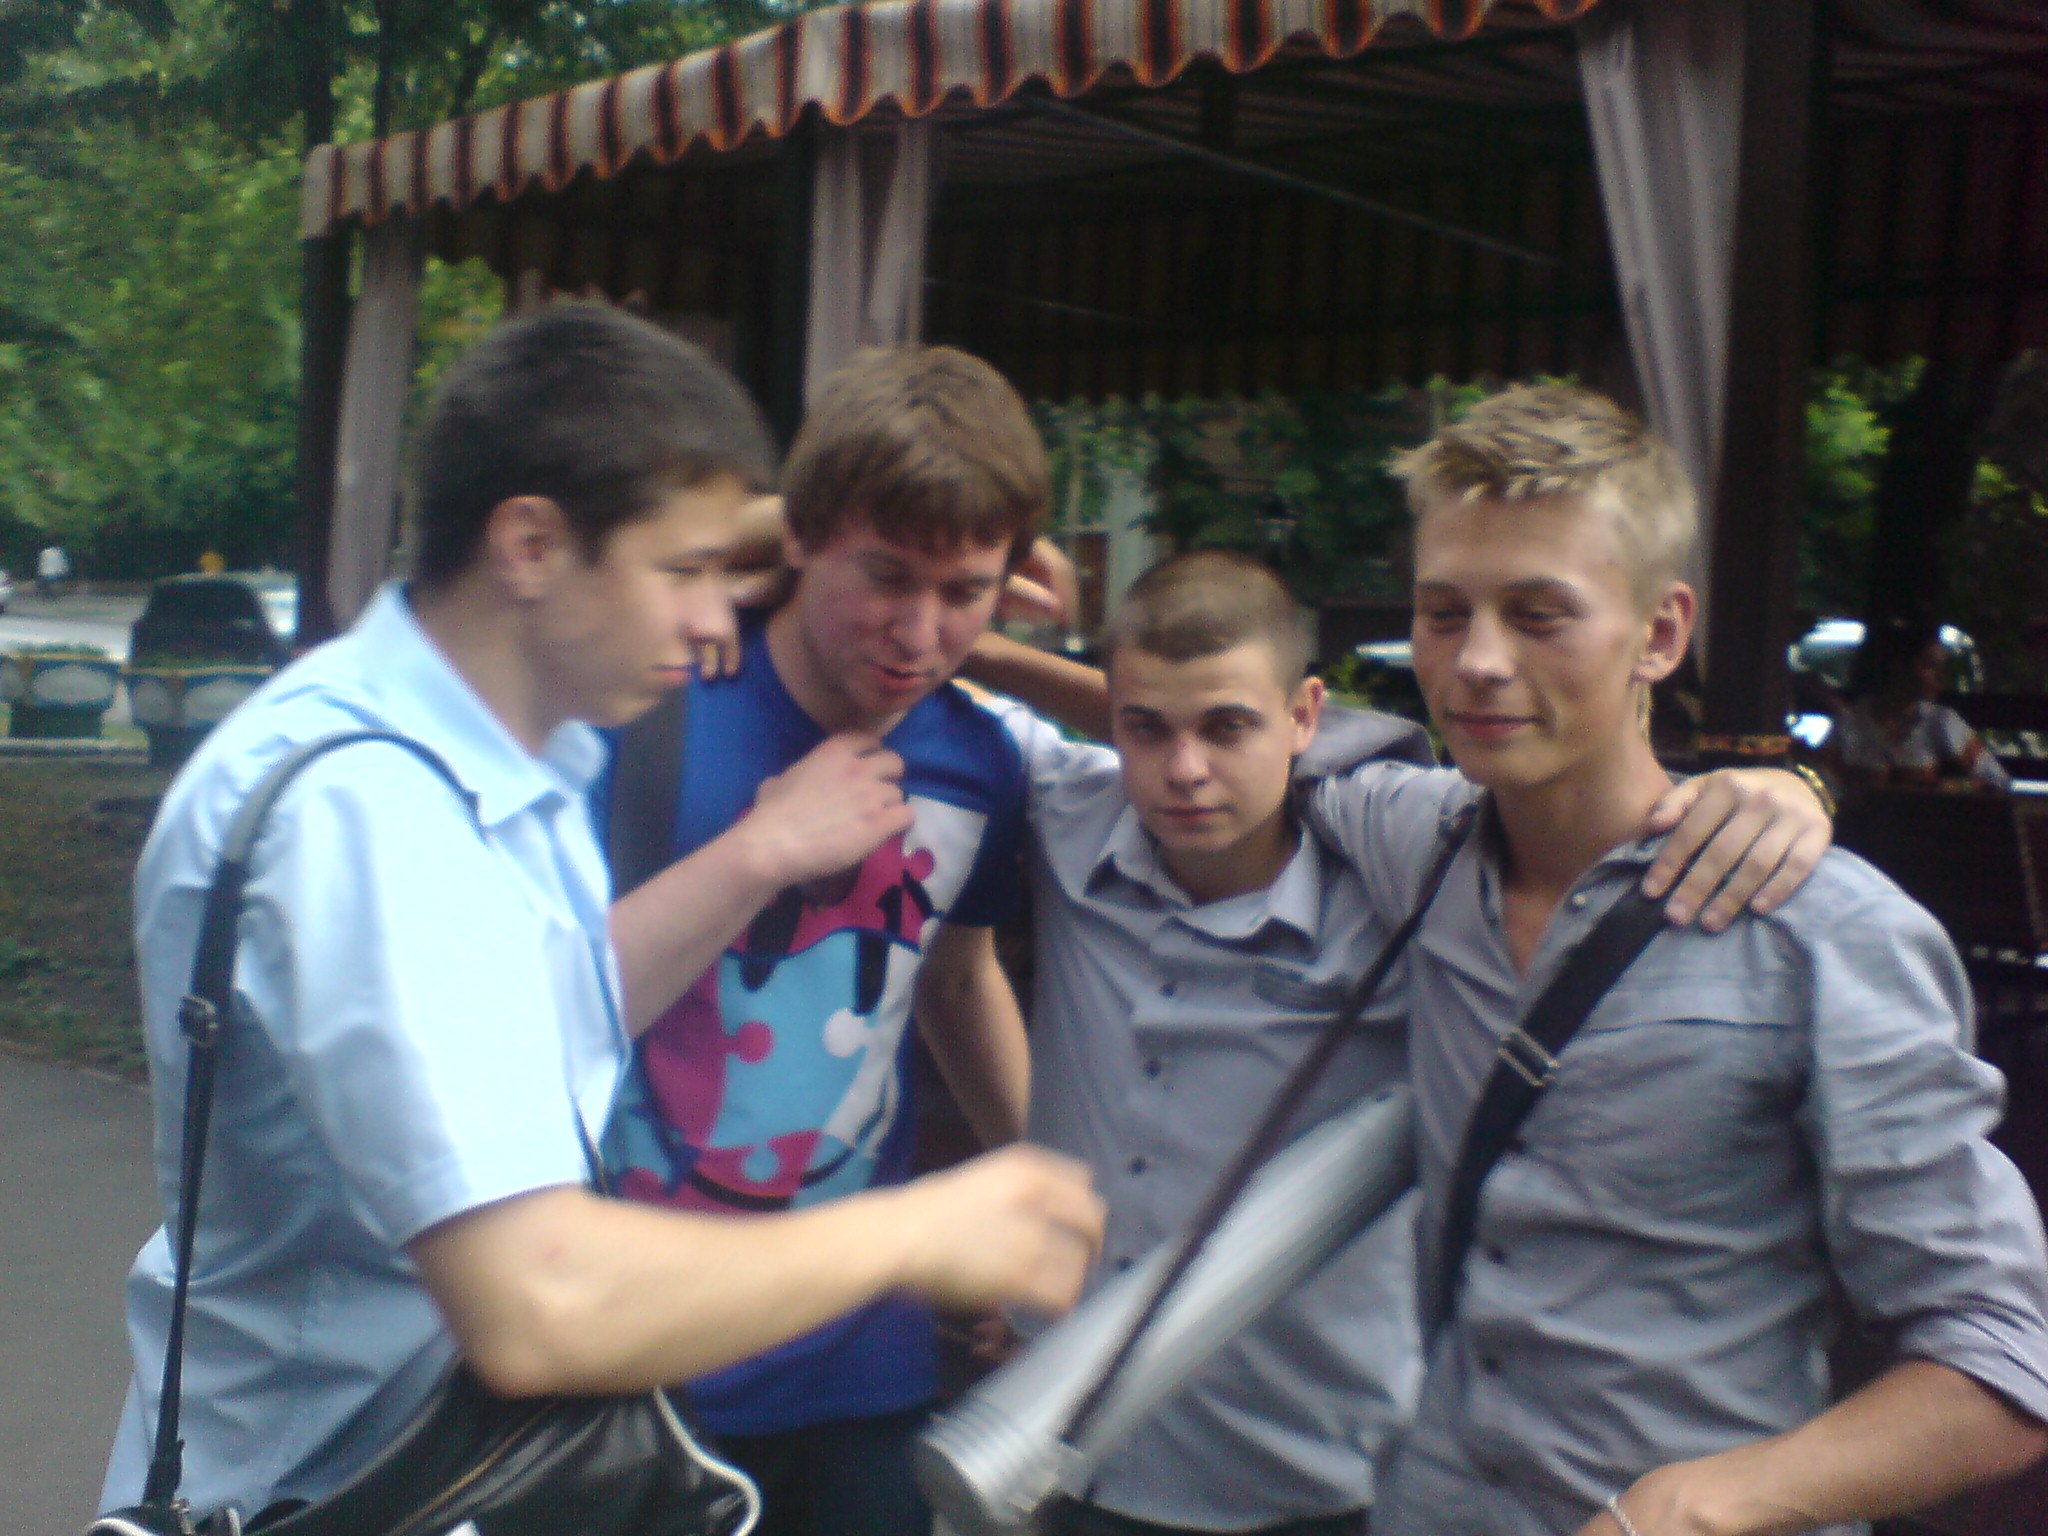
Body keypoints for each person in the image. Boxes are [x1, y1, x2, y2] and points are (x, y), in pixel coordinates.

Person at [100, 305, 1104, 1528]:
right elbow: (539, 1305)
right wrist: (916, 1235)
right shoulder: (372, 818)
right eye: (683, 572)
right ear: (529, 546)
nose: (716, 617)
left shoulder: (496, 768)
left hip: (437, 1471)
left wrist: (854, 534)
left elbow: (559, 1027)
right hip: (329, 1492)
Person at [957, 550, 1834, 1536]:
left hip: (1311, 1472)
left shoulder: (1412, 882)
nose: (1185, 769)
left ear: (1304, 716)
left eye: (1228, 728)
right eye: (1145, 729)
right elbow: (902, 675)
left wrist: (1788, 786)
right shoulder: (1065, 809)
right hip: (1058, 1450)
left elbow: (1585, 822)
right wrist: (973, 639)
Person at [1299, 383, 2048, 1536]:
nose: (1476, 661)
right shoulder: (1423, 840)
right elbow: (1217, 735)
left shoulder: (1815, 930)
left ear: (1658, 633)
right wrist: (993, 636)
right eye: (1442, 613)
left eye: (1537, 614)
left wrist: (1703, 1504)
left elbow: (2003, 1361)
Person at [599, 344, 1059, 1536]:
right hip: (627, 1350)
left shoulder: (978, 760)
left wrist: (1040, 1191)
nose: (918, 631)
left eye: (963, 592)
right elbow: (544, 1011)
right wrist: (760, 850)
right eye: (885, 576)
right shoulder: (649, 712)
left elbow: (957, 982)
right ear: (797, 536)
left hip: (859, 1362)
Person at [1825, 616, 2009, 791]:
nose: (1940, 677)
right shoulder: (1853, 722)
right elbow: (1823, 781)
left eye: (1941, 667)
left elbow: (1997, 779)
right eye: (1930, 666)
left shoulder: (1941, 721)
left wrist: (1946, 788)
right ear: (1898, 668)